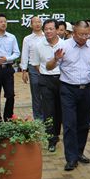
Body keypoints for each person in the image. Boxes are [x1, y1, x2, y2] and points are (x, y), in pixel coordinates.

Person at [46, 20, 90, 171]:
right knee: (69, 124)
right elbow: (48, 66)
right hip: (68, 89)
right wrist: (56, 58)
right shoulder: (63, 46)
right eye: (81, 34)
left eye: (87, 34)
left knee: (84, 123)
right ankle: (71, 158)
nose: (84, 37)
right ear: (74, 33)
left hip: (87, 89)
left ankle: (79, 152)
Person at [31, 19, 64, 152]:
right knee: (48, 110)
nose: (48, 31)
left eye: (51, 29)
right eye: (46, 29)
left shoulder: (65, 44)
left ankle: (56, 133)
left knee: (59, 109)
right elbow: (36, 64)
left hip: (62, 79)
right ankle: (51, 139)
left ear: (57, 30)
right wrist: (45, 74)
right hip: (45, 80)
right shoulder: (38, 45)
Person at [20, 16, 45, 120]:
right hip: (33, 68)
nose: (37, 24)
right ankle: (38, 118)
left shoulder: (47, 36)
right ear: (31, 25)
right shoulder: (27, 39)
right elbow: (25, 55)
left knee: (46, 93)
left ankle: (47, 117)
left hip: (46, 67)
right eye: (35, 22)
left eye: (39, 22)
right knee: (36, 93)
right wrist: (24, 70)